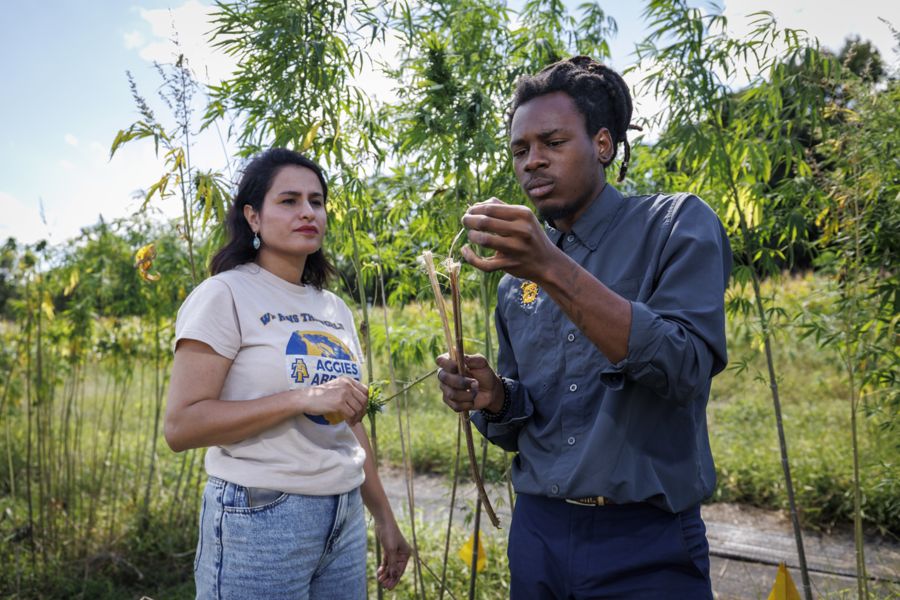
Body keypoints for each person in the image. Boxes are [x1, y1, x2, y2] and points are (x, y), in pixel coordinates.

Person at [436, 56, 732, 598]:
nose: (532, 163)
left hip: (646, 542)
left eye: (552, 142)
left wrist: (551, 267)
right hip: (539, 534)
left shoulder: (674, 225)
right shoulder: (515, 278)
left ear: (602, 144)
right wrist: (493, 396)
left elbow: (686, 368)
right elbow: (523, 422)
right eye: (521, 150)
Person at [165, 148, 410, 599]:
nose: (307, 212)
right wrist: (300, 398)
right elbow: (181, 427)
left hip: (343, 516)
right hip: (261, 517)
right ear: (253, 217)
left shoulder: (332, 307)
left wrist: (383, 515)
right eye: (289, 200)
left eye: (316, 201)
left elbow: (348, 423)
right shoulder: (225, 295)